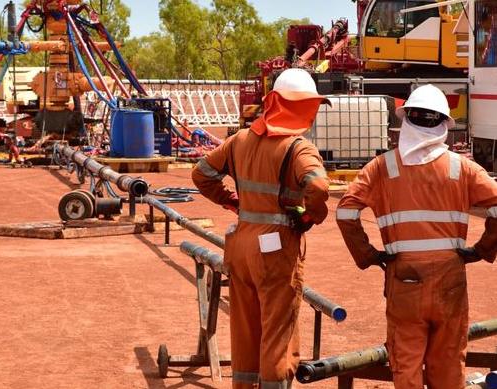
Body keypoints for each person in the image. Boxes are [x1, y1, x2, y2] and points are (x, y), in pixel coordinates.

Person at [335, 84, 497, 389]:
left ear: (405, 120)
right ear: (444, 125)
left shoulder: (382, 168)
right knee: (448, 362)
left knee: (406, 362)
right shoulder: (461, 168)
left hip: (404, 278)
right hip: (450, 277)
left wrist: (369, 255)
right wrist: (482, 249)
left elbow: (345, 212)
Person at [192, 68, 330, 389]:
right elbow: (320, 188)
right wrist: (310, 217)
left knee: (245, 330)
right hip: (276, 250)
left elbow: (201, 174)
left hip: (240, 245)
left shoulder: (239, 140)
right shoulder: (298, 148)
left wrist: (231, 202)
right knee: (277, 333)